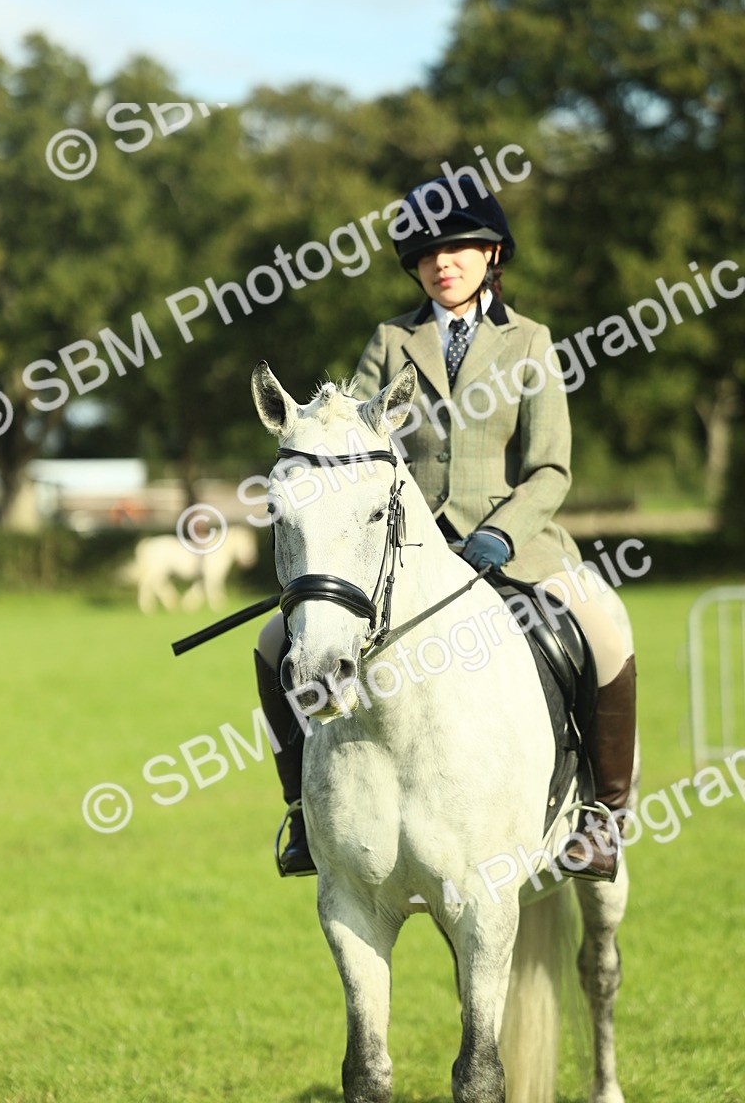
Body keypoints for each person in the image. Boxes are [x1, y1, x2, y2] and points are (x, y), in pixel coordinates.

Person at [254, 174, 636, 881]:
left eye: (460, 247)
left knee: (606, 629)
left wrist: (501, 532)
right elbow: (356, 443)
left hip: (517, 549)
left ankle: (602, 818)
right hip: (408, 553)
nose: (443, 261)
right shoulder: (391, 341)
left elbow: (550, 469)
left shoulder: (530, 342)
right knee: (275, 637)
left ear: (493, 254)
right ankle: (304, 816)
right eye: (428, 252)